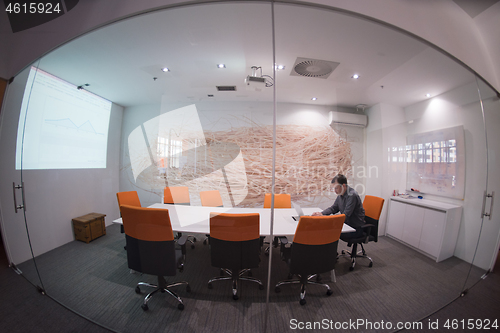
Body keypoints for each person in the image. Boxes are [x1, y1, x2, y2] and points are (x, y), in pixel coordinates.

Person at [312, 174, 365, 241]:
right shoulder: (341, 194)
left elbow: (346, 215)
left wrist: (328, 219)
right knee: (324, 227)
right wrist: (321, 214)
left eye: (336, 188)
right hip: (346, 225)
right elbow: (333, 208)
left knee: (328, 230)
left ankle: (330, 251)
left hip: (354, 228)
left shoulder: (352, 195)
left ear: (343, 186)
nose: (334, 191)